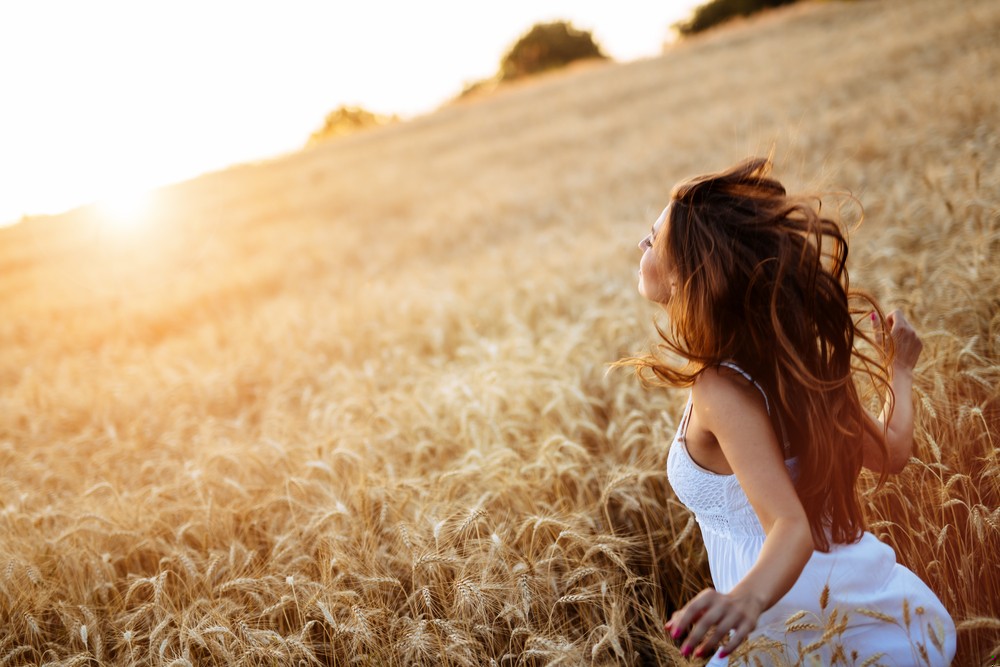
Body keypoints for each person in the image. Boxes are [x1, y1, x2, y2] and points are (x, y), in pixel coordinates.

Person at [623, 158, 956, 665]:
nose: (641, 245)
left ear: (688, 273)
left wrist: (744, 599)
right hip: (872, 606)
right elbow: (891, 453)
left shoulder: (718, 388)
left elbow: (790, 525)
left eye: (652, 240)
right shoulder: (795, 364)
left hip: (790, 623)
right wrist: (901, 373)